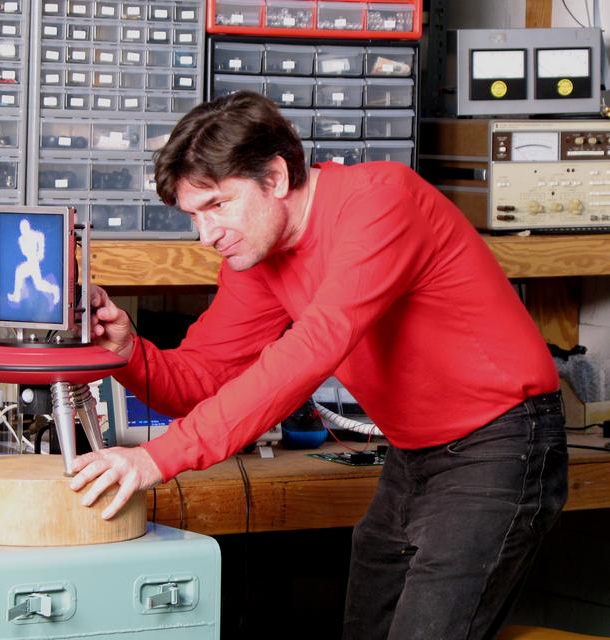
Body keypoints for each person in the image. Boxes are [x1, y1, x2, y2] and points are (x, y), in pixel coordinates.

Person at [69, 91, 567, 639]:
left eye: (217, 206)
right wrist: (127, 355)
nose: (206, 235)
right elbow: (204, 377)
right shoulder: (257, 256)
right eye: (194, 215)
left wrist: (156, 458)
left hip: (501, 444)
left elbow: (315, 346)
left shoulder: (380, 201)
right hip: (414, 455)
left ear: (276, 177)